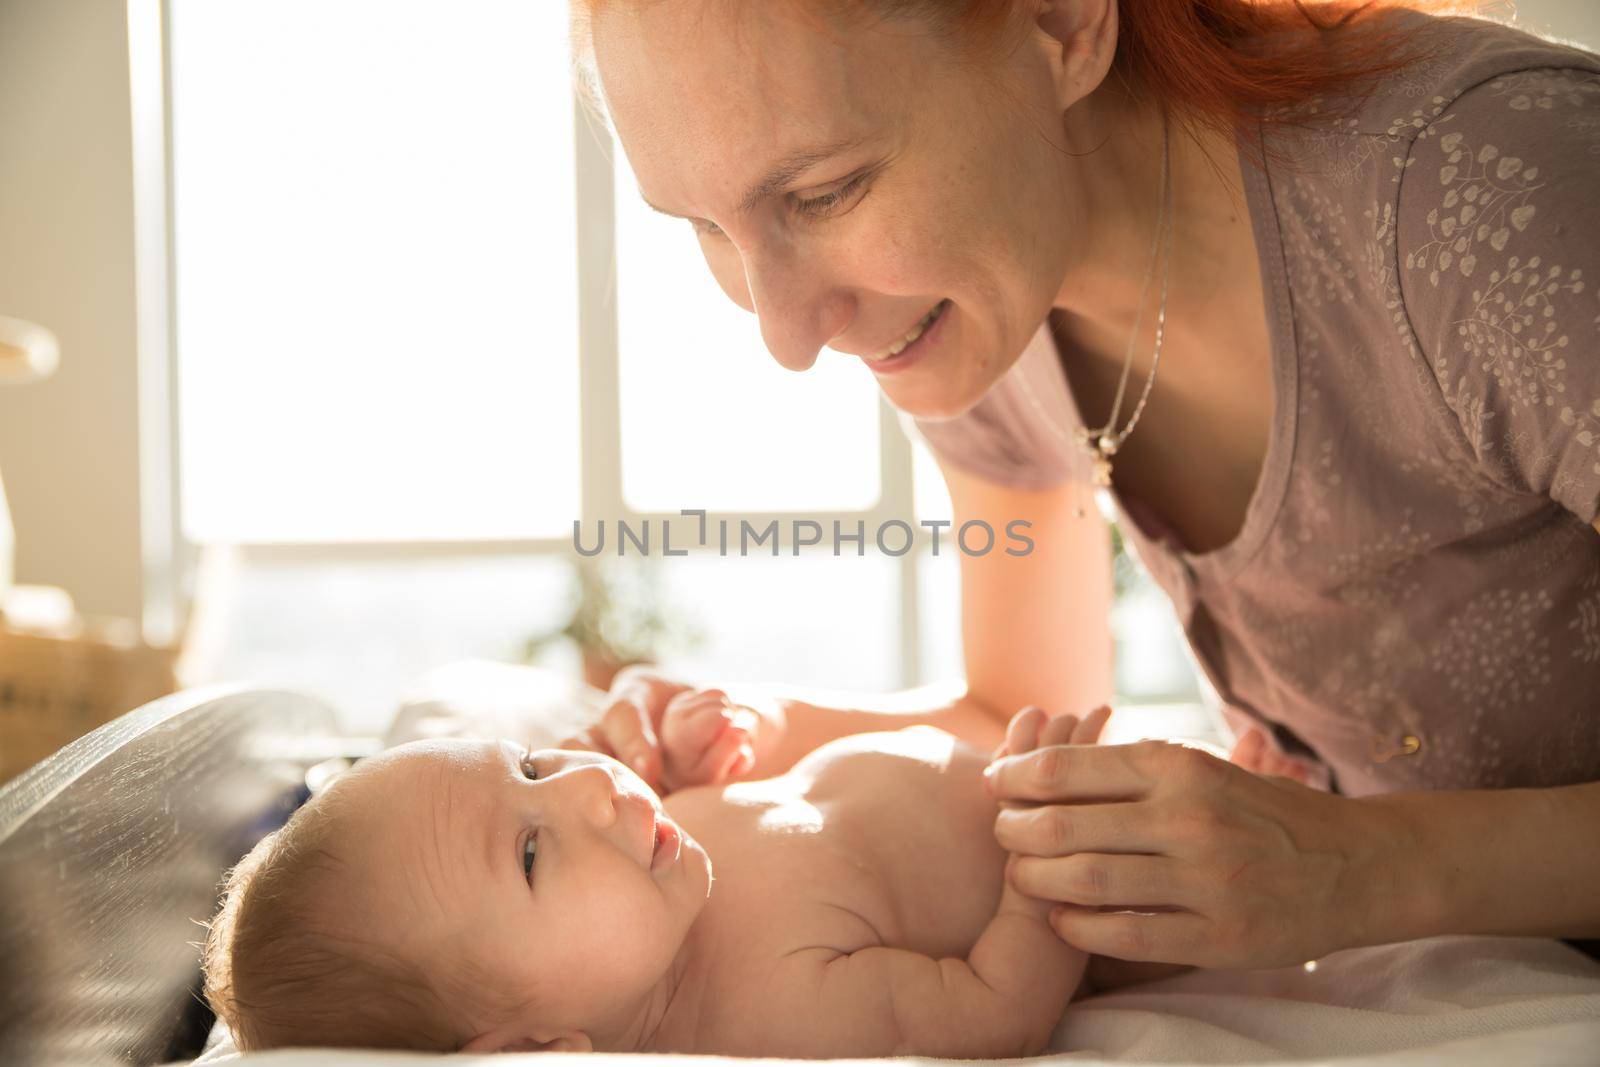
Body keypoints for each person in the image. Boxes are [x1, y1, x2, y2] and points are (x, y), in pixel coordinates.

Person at [567, 0, 1600, 970]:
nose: (786, 333)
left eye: (823, 192)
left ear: (1062, 20)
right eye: (700, 223)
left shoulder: (1491, 202)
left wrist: (1365, 865)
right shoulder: (969, 310)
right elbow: (1023, 709)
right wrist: (766, 726)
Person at [201, 689, 1143, 1055]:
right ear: (535, 1050)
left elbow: (777, 825)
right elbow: (989, 1011)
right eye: (531, 851)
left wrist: (699, 769)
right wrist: (1044, 872)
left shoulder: (652, 872)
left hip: (1023, 761)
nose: (588, 791)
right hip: (1098, 848)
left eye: (531, 766)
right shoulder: (772, 1007)